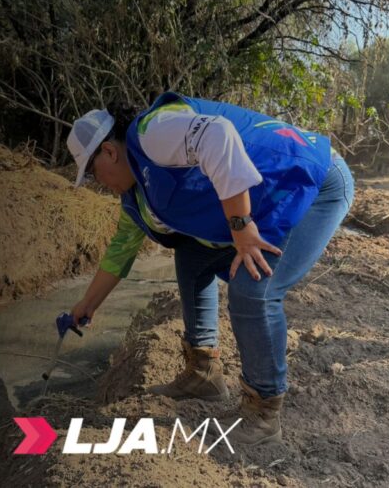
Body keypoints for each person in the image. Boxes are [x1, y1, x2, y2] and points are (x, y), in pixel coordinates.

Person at [65, 92, 354, 446]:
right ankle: (203, 373)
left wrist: (241, 225)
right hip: (271, 197)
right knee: (190, 253)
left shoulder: (152, 132)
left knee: (254, 290)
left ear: (109, 152)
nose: (99, 184)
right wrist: (87, 305)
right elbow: (120, 252)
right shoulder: (136, 194)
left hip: (311, 180)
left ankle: (263, 413)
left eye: (94, 175)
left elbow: (218, 135)